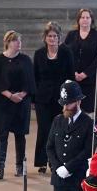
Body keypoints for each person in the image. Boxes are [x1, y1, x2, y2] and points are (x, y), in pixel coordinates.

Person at [0, 30, 36, 180]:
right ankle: (0, 167)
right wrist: (9, 95)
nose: (19, 43)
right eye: (16, 40)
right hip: (3, 103)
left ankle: (19, 166)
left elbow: (30, 81)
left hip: (21, 102)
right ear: (8, 42)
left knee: (20, 135)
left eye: (20, 40)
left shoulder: (26, 60)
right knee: (2, 135)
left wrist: (21, 95)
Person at [32, 22, 75, 174]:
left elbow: (70, 77)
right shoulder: (38, 54)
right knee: (44, 130)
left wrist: (69, 100)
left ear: (59, 38)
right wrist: (33, 99)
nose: (52, 38)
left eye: (55, 36)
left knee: (60, 130)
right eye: (49, 36)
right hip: (42, 99)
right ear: (45, 38)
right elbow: (34, 78)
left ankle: (57, 162)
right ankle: (42, 162)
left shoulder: (67, 53)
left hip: (61, 99)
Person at [65, 9, 97, 114]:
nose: (85, 20)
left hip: (90, 79)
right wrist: (73, 72)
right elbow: (66, 54)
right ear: (78, 20)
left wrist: (85, 74)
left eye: (87, 17)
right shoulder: (71, 35)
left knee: (88, 109)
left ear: (92, 20)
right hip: (73, 77)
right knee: (72, 109)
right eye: (82, 17)